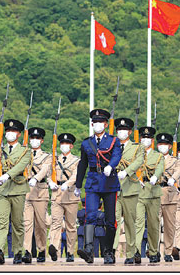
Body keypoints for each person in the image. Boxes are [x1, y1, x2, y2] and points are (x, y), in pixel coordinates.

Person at [75, 109, 122, 264]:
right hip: (93, 182)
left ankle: (108, 252)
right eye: (95, 122)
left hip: (109, 182)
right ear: (92, 124)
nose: (98, 125)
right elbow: (83, 164)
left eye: (101, 122)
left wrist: (111, 166)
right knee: (90, 216)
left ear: (106, 124)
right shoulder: (86, 143)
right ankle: (88, 250)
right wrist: (78, 185)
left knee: (110, 220)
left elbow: (116, 155)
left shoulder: (114, 141)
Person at [0, 119, 31, 265]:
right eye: (8, 131)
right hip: (2, 190)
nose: (10, 133)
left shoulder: (25, 151)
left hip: (17, 188)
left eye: (13, 131)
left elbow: (20, 166)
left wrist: (7, 175)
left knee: (17, 223)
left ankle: (17, 251)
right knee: (1, 222)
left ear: (19, 134)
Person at [113, 117, 143, 264]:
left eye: (124, 130)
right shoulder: (111, 145)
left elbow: (139, 161)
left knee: (131, 222)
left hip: (130, 188)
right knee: (113, 221)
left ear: (130, 132)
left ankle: (131, 253)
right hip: (113, 188)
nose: (121, 132)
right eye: (119, 130)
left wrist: (127, 171)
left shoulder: (137, 147)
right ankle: (111, 252)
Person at [48, 133, 80, 262]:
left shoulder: (76, 160)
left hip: (70, 194)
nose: (64, 146)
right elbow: (50, 173)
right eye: (62, 144)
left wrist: (67, 183)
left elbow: (76, 175)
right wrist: (50, 182)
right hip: (57, 195)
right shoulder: (54, 160)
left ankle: (70, 251)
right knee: (55, 223)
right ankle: (54, 249)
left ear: (71, 146)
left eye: (66, 144)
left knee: (70, 225)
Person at [134, 126, 164, 263]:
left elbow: (159, 169)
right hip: (139, 192)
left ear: (152, 140)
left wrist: (155, 177)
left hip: (153, 192)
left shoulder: (158, 156)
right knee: (138, 223)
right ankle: (136, 251)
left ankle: (153, 251)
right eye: (143, 137)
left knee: (153, 224)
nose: (145, 140)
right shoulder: (135, 154)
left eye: (148, 138)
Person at [22, 127, 52, 263]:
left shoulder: (47, 156)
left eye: (37, 138)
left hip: (40, 191)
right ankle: (27, 251)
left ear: (41, 140)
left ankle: (41, 249)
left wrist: (36, 178)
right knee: (27, 223)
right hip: (26, 191)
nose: (34, 141)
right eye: (32, 138)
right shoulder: (24, 154)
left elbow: (45, 169)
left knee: (40, 224)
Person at [156, 133, 180, 262]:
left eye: (165, 144)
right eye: (160, 144)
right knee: (154, 224)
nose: (163, 146)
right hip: (155, 193)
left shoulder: (175, 160)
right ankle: (154, 251)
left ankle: (168, 251)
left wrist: (173, 178)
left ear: (170, 146)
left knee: (169, 226)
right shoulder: (152, 158)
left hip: (169, 194)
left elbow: (178, 170)